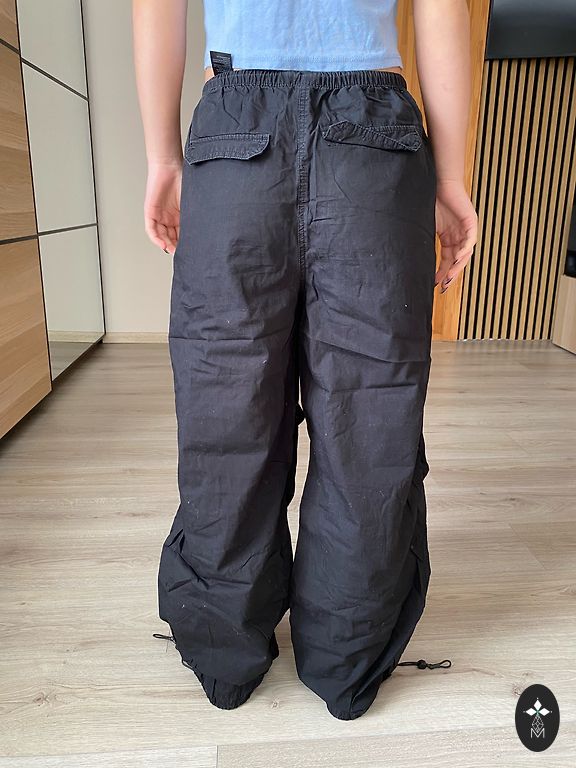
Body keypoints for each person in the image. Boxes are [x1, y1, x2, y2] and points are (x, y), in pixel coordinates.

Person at [134, 0, 477, 720]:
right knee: (370, 416)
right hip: (374, 138)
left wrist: (163, 158)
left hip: (235, 129)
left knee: (227, 408)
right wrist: (451, 180)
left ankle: (225, 653)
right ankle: (345, 660)